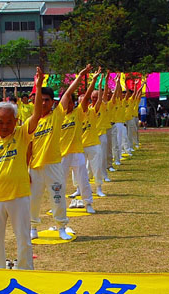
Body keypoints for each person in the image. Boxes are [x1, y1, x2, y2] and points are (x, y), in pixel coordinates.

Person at [0, 71, 43, 270]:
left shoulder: (22, 135)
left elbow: (37, 114)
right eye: (0, 122)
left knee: (23, 237)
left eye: (8, 122)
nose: (4, 126)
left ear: (16, 121)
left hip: (19, 196)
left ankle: (25, 269)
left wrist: (38, 87)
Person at [29, 70, 81, 241]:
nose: (43, 103)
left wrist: (80, 77)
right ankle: (33, 228)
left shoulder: (57, 115)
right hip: (35, 167)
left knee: (57, 197)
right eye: (41, 100)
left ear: (53, 102)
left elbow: (68, 93)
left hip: (53, 165)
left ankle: (61, 227)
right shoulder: (32, 121)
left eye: (47, 100)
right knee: (33, 199)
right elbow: (28, 146)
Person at [59, 66, 97, 214]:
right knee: (59, 182)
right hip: (61, 153)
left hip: (76, 151)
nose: (67, 104)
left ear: (73, 103)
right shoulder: (58, 115)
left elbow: (86, 97)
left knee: (83, 179)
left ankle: (88, 203)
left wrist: (91, 80)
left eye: (70, 102)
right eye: (65, 101)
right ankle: (58, 206)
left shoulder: (78, 112)